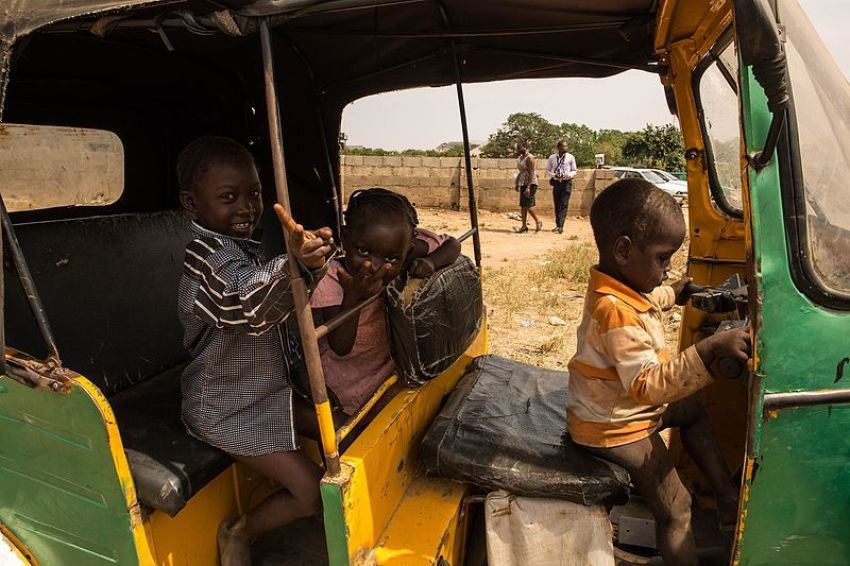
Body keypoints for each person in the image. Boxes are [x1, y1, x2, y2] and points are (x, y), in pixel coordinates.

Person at [568, 178, 750, 566]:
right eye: (663, 259)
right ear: (623, 250)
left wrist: (678, 293)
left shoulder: (621, 289)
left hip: (617, 407)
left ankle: (726, 495)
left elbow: (650, 301)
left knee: (692, 409)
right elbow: (648, 385)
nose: (667, 270)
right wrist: (709, 349)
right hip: (613, 427)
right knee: (677, 509)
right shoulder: (615, 311)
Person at [176, 136, 334, 566]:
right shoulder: (206, 260)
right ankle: (239, 532)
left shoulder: (243, 245)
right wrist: (296, 264)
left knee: (336, 426)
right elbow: (243, 300)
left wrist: (311, 260)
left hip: (264, 390)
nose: (246, 207)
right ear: (192, 204)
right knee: (310, 491)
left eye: (254, 195)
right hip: (224, 404)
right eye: (229, 198)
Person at [311, 188, 461, 416]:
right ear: (344, 238)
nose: (374, 266)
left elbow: (452, 246)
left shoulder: (400, 249)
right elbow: (340, 347)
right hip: (346, 378)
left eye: (391, 258)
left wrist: (431, 262)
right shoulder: (333, 278)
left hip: (387, 366)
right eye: (363, 251)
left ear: (407, 251)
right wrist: (354, 296)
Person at [545, 140, 578, 234]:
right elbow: (547, 170)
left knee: (564, 204)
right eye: (564, 146)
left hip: (566, 182)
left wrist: (566, 176)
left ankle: (560, 226)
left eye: (566, 146)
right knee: (557, 204)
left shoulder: (570, 157)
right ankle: (557, 225)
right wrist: (554, 175)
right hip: (556, 183)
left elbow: (574, 171)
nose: (566, 148)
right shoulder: (552, 158)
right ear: (559, 147)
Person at [514, 143, 542, 233]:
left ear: (524, 147)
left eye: (519, 147)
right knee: (523, 205)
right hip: (523, 183)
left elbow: (532, 172)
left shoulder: (530, 158)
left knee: (528, 205)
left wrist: (528, 187)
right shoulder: (520, 158)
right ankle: (524, 226)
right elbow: (520, 172)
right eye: (517, 148)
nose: (517, 149)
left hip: (531, 183)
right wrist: (517, 183)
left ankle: (538, 221)